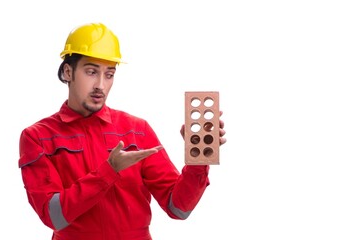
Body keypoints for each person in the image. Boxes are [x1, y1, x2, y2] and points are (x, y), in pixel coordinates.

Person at [18, 22, 227, 240]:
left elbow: (178, 208)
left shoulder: (137, 130)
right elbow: (53, 216)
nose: (100, 84)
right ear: (68, 71)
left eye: (109, 74)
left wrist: (197, 160)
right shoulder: (38, 137)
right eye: (91, 72)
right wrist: (109, 170)